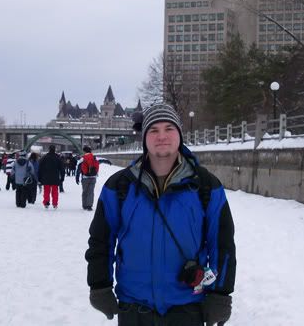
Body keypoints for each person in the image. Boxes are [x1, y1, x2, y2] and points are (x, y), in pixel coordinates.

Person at [85, 104, 236, 326]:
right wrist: (99, 285)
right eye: (153, 130)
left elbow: (222, 245)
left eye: (169, 129)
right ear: (144, 138)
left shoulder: (206, 186)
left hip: (188, 308)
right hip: (134, 309)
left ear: (179, 135)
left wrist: (221, 293)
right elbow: (101, 241)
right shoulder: (119, 186)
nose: (162, 136)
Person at [38, 145, 65, 209]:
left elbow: (40, 168)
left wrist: (39, 177)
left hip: (46, 177)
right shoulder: (58, 158)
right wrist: (62, 177)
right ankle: (55, 203)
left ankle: (46, 202)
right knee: (55, 191)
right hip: (55, 177)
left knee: (46, 190)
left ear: (49, 149)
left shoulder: (44, 158)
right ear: (54, 149)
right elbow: (62, 169)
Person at [75, 145, 99, 211]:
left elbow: (79, 169)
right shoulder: (95, 158)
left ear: (84, 151)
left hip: (85, 177)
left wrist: (77, 178)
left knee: (85, 191)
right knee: (91, 192)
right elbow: (98, 165)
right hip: (93, 177)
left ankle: (85, 205)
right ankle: (89, 206)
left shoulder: (83, 158)